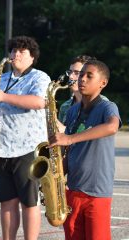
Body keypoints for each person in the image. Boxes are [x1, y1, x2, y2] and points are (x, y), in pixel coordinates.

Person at [0, 36, 51, 240]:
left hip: (27, 148)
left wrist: (3, 97)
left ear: (32, 57)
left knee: (28, 202)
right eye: (14, 51)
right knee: (7, 202)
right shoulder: (2, 79)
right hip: (1, 147)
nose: (16, 55)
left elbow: (39, 102)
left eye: (22, 52)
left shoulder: (39, 77)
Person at [49, 60, 121, 240]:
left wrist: (69, 138)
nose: (82, 79)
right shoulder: (73, 110)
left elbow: (112, 127)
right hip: (72, 189)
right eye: (81, 75)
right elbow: (70, 149)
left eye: (90, 76)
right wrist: (52, 179)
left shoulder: (107, 107)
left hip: (96, 192)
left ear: (102, 83)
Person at [58, 55, 96, 126]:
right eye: (70, 72)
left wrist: (65, 131)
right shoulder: (64, 106)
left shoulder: (101, 103)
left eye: (77, 73)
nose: (70, 76)